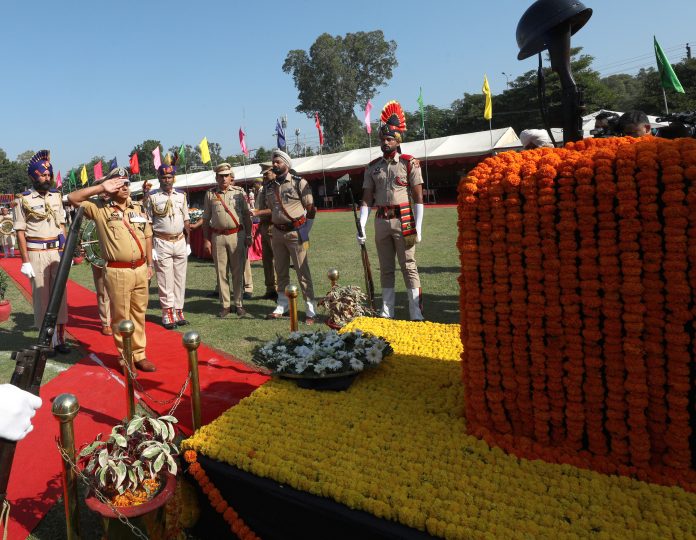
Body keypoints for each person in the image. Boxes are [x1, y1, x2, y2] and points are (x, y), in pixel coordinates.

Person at [67, 167, 156, 372]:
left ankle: (139, 354)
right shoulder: (99, 208)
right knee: (121, 317)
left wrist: (150, 264)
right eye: (118, 183)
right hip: (118, 271)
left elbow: (147, 236)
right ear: (110, 186)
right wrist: (100, 187)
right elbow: (72, 198)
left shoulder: (138, 208)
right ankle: (126, 358)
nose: (123, 187)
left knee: (139, 314)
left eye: (126, 182)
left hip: (141, 269)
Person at [358, 101, 425, 321]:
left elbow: (418, 197)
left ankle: (416, 311)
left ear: (398, 141)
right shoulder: (372, 166)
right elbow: (366, 200)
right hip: (381, 219)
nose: (384, 142)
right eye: (382, 139)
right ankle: (387, 311)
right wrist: (362, 226)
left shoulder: (409, 163)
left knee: (408, 266)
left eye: (389, 139)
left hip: (405, 218)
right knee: (386, 268)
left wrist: (419, 226)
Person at [13, 150, 71, 354]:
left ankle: (60, 339)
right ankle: (47, 340)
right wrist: (25, 261)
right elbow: (20, 232)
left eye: (49, 175)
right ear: (32, 176)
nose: (47, 178)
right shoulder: (22, 200)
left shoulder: (56, 196)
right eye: (42, 175)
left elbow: (61, 226)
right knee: (41, 298)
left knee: (61, 296)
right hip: (36, 253)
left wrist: (65, 252)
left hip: (56, 252)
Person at [257, 150, 317, 324]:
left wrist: (306, 230)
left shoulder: (299, 182)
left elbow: (311, 208)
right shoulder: (269, 187)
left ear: (287, 164)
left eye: (278, 162)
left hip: (297, 232)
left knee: (302, 271)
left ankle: (310, 309)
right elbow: (270, 209)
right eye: (273, 162)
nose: (274, 164)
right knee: (281, 270)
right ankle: (282, 305)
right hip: (277, 232)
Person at [146, 158, 192, 329]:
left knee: (180, 278)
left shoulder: (181, 195)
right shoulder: (152, 197)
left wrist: (188, 242)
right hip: (161, 241)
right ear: (159, 178)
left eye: (170, 177)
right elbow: (148, 223)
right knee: (165, 279)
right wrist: (151, 248)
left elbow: (186, 219)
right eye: (164, 177)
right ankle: (167, 312)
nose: (167, 180)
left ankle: (179, 310)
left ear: (174, 178)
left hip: (179, 240)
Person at [202, 163, 252, 318]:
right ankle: (225, 305)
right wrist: (206, 239)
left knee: (238, 271)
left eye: (226, 175)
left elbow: (246, 215)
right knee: (221, 272)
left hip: (237, 235)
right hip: (218, 237)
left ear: (231, 177)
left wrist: (249, 235)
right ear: (216, 178)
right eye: (221, 176)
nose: (224, 178)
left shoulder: (239, 192)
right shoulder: (210, 194)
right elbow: (205, 219)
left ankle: (239, 304)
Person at [253, 164, 277, 301]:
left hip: (274, 227)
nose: (264, 177)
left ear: (273, 173)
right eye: (263, 175)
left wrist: (257, 213)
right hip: (264, 226)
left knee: (277, 261)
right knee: (267, 260)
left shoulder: (277, 187)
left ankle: (279, 289)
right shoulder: (265, 188)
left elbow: (275, 209)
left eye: (266, 174)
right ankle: (270, 289)